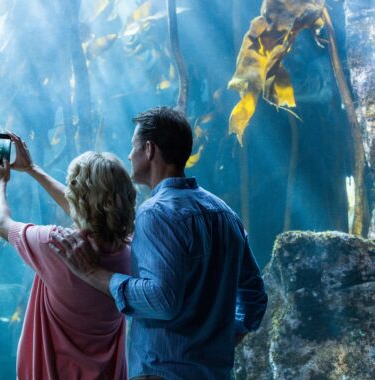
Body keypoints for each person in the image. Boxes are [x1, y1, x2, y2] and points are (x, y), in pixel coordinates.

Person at [50, 107, 268, 380]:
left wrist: (92, 273)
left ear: (149, 150)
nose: (129, 155)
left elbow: (162, 299)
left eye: (134, 147)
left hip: (163, 373)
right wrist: (220, 341)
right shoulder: (225, 214)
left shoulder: (155, 213)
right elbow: (255, 297)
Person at [0, 132, 136, 380]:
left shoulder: (56, 246)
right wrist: (33, 169)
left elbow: (1, 223)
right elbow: (91, 214)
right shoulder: (131, 252)